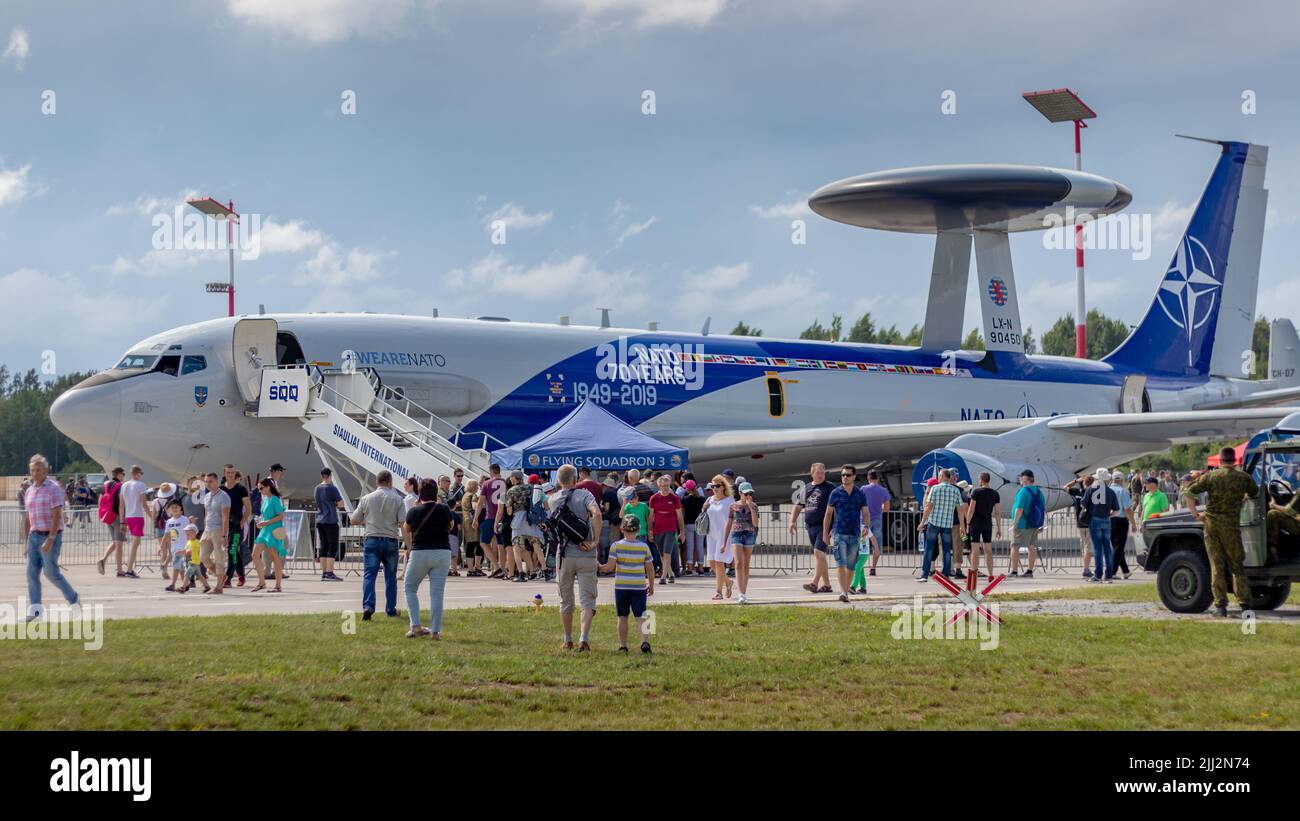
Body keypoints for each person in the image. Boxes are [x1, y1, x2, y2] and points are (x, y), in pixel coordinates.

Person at [1185, 447, 1259, 617]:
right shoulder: (1243, 477)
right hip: (1231, 527)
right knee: (1237, 566)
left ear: (1220, 460)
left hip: (1212, 525)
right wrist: (1243, 497)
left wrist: (1196, 515)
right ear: (1234, 460)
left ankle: (1221, 607)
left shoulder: (1210, 476)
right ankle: (1245, 604)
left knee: (1216, 566)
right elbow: (1254, 493)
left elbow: (1188, 492)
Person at [21, 454, 79, 620]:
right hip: (33, 536)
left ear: (46, 471)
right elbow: (27, 518)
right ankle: (36, 611)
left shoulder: (53, 488)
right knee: (31, 574)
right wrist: (26, 543)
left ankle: (73, 599)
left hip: (50, 536)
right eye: (32, 470)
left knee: (51, 573)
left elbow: (57, 515)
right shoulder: (29, 491)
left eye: (38, 470)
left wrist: (51, 538)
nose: (35, 473)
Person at [551, 464, 602, 651]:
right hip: (586, 553)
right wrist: (595, 540)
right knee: (587, 598)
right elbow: (596, 513)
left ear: (558, 480)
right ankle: (584, 638)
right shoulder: (585, 495)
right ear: (575, 479)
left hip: (564, 554)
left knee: (565, 599)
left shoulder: (553, 500)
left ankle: (567, 639)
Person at [351, 470, 407, 620]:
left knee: (370, 575)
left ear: (377, 482)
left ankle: (368, 606)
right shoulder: (398, 499)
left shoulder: (366, 498)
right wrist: (409, 544)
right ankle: (390, 609)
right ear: (390, 482)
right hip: (390, 539)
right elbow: (403, 523)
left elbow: (354, 520)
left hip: (372, 539)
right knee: (391, 577)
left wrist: (368, 520)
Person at [403, 478, 455, 639]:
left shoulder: (414, 511)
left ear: (420, 493)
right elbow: (450, 526)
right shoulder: (444, 509)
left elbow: (406, 528)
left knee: (410, 587)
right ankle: (435, 631)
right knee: (437, 593)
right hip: (442, 552)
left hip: (421, 552)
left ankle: (416, 625)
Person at [599, 513, 655, 653]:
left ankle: (623, 645)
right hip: (639, 586)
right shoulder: (644, 547)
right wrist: (652, 586)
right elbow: (650, 570)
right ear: (638, 529)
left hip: (622, 586)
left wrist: (598, 566)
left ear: (622, 529)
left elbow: (609, 568)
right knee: (641, 616)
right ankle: (644, 642)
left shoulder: (616, 546)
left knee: (622, 616)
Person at [823, 465, 869, 601]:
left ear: (854, 476)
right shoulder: (835, 493)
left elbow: (865, 511)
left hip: (855, 533)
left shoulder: (860, 493)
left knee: (851, 566)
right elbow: (828, 513)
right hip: (839, 533)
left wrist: (866, 526)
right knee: (840, 564)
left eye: (848, 475)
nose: (845, 477)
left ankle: (846, 592)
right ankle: (844, 592)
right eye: (843, 475)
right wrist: (825, 532)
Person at [791, 462, 836, 595]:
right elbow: (798, 505)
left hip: (824, 526)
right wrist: (792, 521)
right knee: (820, 556)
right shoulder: (807, 487)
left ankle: (814, 583)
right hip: (810, 526)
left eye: (823, 473)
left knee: (819, 553)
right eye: (818, 473)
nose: (821, 475)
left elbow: (837, 508)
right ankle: (827, 585)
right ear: (812, 473)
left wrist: (834, 526)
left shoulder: (830, 488)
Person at [916, 469, 964, 582]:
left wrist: (922, 522)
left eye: (939, 475)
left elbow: (928, 507)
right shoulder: (955, 490)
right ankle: (946, 574)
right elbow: (960, 510)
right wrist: (962, 525)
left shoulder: (935, 488)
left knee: (929, 548)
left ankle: (925, 574)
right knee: (947, 549)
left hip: (934, 523)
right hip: (947, 524)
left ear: (942, 476)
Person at [723, 481, 760, 603]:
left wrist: (750, 507)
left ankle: (743, 592)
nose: (748, 495)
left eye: (750, 493)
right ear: (740, 493)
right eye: (746, 493)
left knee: (746, 564)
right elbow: (728, 524)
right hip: (736, 534)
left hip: (749, 534)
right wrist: (724, 542)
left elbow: (755, 523)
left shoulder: (754, 505)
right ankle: (740, 593)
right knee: (738, 563)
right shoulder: (733, 506)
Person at [1081, 468, 1120, 583]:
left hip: (1094, 519)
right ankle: (1109, 575)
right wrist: (1109, 515)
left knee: (1098, 548)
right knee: (1107, 548)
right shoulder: (1110, 491)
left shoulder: (1090, 489)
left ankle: (1098, 575)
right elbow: (1117, 510)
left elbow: (1083, 505)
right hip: (1106, 519)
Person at [195, 472, 230, 594]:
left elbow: (225, 517)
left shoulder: (224, 496)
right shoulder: (207, 496)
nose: (208, 483)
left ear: (216, 481)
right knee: (203, 557)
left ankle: (219, 587)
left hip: (218, 529)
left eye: (210, 481)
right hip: (208, 529)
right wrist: (205, 528)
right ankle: (221, 576)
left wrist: (224, 535)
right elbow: (206, 514)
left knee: (219, 557)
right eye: (206, 481)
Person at [251, 478, 288, 593]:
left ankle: (278, 585)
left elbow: (281, 516)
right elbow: (265, 514)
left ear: (268, 487)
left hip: (273, 530)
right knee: (255, 554)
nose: (260, 490)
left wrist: (266, 522)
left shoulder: (275, 499)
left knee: (275, 558)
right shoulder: (266, 499)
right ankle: (262, 582)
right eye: (259, 489)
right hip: (265, 530)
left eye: (261, 488)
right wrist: (261, 522)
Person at [703, 476, 736, 599]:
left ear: (723, 486)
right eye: (712, 486)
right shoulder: (710, 499)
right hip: (711, 534)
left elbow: (732, 520)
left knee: (719, 563)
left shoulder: (730, 501)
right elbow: (704, 513)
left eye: (717, 486)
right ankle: (728, 582)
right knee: (712, 564)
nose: (714, 488)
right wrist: (704, 507)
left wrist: (727, 539)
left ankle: (719, 592)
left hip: (724, 535)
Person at [505, 470, 542, 582]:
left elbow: (510, 511)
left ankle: (521, 573)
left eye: (511, 477)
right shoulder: (530, 488)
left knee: (517, 548)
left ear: (515, 478)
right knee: (535, 546)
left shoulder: (511, 491)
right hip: (531, 520)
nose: (510, 479)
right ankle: (537, 570)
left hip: (518, 520)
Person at [649, 474, 685, 584]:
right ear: (659, 486)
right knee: (662, 555)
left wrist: (682, 532)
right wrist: (649, 531)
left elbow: (679, 516)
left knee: (667, 553)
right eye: (663, 485)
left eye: (667, 485)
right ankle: (671, 574)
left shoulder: (674, 498)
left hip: (671, 529)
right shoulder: (654, 498)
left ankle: (663, 576)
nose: (665, 488)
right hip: (658, 529)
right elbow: (650, 516)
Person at [1009, 470, 1045, 577]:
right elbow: (1043, 509)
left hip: (1022, 524)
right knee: (1032, 546)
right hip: (1034, 524)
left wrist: (1014, 525)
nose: (1019, 479)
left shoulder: (1023, 491)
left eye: (1021, 478)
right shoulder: (1039, 492)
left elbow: (1019, 509)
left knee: (1015, 546)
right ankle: (1029, 571)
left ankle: (1014, 571)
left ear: (1025, 479)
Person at [965, 472, 1001, 580]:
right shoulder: (995, 494)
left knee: (975, 551)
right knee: (988, 550)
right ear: (989, 480)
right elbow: (997, 512)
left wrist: (967, 523)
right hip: (987, 523)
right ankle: (990, 574)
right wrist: (999, 528)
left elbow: (971, 510)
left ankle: (973, 575)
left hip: (976, 523)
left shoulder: (976, 492)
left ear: (981, 480)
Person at [222, 465, 251, 587]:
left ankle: (227, 578)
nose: (230, 475)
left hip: (236, 525)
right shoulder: (221, 490)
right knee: (234, 552)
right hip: (224, 524)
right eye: (228, 472)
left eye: (232, 473)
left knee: (232, 550)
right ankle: (241, 575)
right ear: (225, 473)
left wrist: (242, 522)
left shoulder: (241, 489)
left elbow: (248, 508)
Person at [314, 468, 345, 581]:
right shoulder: (332, 488)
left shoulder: (317, 488)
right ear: (330, 476)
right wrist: (334, 503)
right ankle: (330, 572)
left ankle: (323, 573)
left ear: (322, 476)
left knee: (323, 546)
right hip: (330, 520)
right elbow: (341, 504)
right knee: (332, 547)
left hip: (320, 519)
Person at [119, 465, 149, 579]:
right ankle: (130, 568)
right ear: (137, 473)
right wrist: (151, 516)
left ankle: (130, 567)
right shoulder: (141, 485)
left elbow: (121, 505)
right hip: (137, 516)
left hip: (128, 516)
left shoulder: (124, 485)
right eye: (141, 474)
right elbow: (144, 504)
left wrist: (122, 521)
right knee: (135, 544)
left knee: (134, 544)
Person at [97, 466, 127, 577]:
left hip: (107, 516)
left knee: (115, 542)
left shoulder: (105, 484)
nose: (124, 477)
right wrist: (123, 521)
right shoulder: (120, 486)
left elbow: (100, 500)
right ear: (119, 474)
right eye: (123, 474)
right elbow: (121, 505)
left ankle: (103, 560)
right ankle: (119, 570)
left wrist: (101, 514)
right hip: (117, 516)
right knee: (119, 544)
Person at [860, 470, 891, 578]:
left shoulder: (863, 489)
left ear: (868, 478)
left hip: (864, 520)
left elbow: (858, 504)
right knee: (876, 545)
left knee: (861, 545)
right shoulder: (883, 491)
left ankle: (860, 567)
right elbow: (887, 508)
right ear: (877, 478)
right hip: (877, 520)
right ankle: (873, 568)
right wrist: (880, 508)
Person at [1064, 475, 1096, 578]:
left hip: (1080, 521)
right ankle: (1086, 569)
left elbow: (1065, 487)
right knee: (1088, 546)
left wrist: (1075, 481)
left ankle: (1086, 567)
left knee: (1084, 546)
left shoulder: (1077, 492)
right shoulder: (1093, 492)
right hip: (1090, 522)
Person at [1109, 470, 1137, 579]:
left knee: (1116, 547)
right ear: (1121, 480)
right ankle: (1112, 572)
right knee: (1119, 547)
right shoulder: (1123, 491)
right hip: (1121, 521)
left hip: (1110, 519)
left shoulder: (1108, 490)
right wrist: (1133, 523)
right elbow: (1128, 509)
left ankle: (1125, 571)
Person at [160, 499, 189, 592]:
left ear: (181, 509)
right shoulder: (169, 522)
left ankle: (172, 584)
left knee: (176, 567)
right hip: (174, 547)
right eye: (172, 508)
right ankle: (186, 584)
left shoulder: (185, 520)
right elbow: (166, 534)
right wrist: (162, 545)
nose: (174, 509)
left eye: (176, 507)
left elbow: (190, 532)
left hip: (183, 547)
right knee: (180, 568)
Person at [680, 479, 707, 576]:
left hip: (688, 524)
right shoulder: (702, 499)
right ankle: (701, 569)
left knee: (690, 547)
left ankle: (689, 569)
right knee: (700, 546)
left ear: (687, 489)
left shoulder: (684, 499)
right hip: (700, 524)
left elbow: (682, 513)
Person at [460, 479, 483, 576]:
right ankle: (475, 567)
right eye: (477, 486)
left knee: (469, 543)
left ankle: (470, 568)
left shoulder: (465, 495)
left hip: (466, 520)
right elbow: (475, 506)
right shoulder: (473, 495)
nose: (478, 488)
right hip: (473, 521)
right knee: (477, 543)